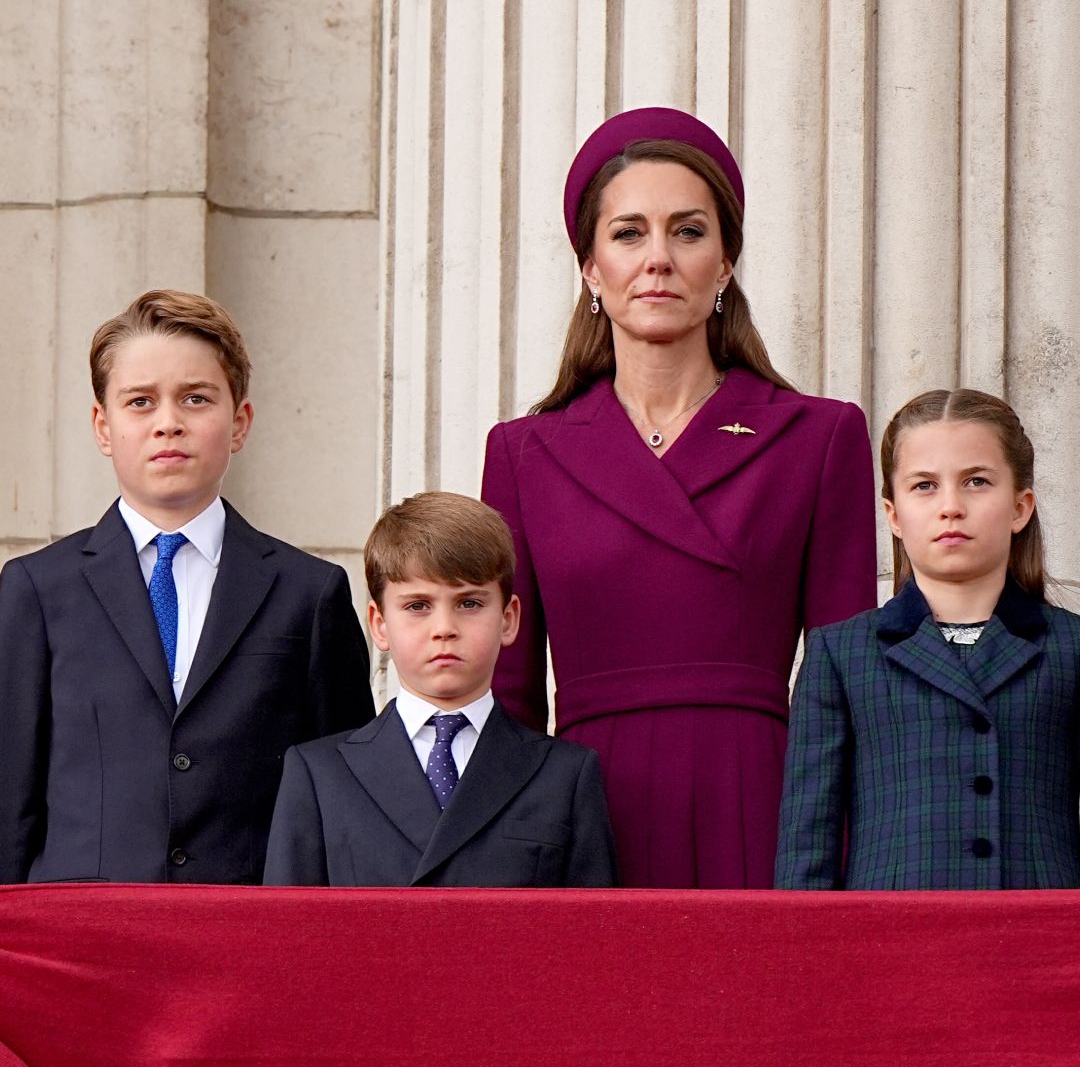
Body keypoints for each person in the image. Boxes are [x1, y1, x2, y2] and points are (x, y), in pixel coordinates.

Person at [481, 107, 877, 888]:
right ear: (591, 268)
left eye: (688, 232)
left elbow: (847, 689)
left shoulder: (820, 437)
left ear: (725, 263)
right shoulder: (523, 454)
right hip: (583, 813)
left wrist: (833, 861)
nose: (657, 259)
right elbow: (509, 694)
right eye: (629, 234)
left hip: (763, 807)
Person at [0, 289, 375, 884]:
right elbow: (10, 796)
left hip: (247, 922)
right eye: (140, 402)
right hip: (82, 924)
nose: (168, 423)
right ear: (103, 426)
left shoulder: (309, 593)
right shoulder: (37, 589)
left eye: (196, 398)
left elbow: (343, 800)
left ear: (239, 422)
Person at [775, 389, 1080, 889]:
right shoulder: (842, 654)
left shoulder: (1070, 647)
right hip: (889, 930)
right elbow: (808, 845)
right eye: (924, 486)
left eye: (977, 482)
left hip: (1043, 928)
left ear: (1020, 507)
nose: (951, 507)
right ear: (894, 515)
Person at [263, 492, 617, 887]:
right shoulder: (319, 774)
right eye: (418, 606)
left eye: (469, 603)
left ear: (508, 618)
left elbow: (589, 922)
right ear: (379, 624)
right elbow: (288, 921)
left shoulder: (565, 775)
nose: (444, 628)